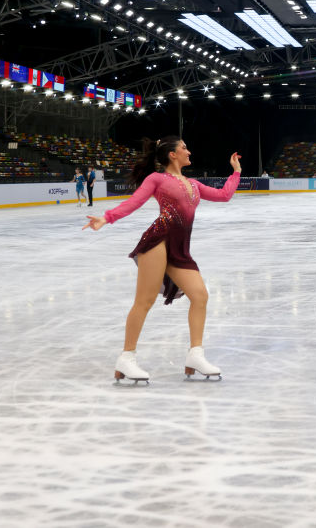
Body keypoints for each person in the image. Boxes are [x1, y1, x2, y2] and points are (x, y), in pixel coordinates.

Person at [82, 136, 242, 383]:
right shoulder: (156, 179)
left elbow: (224, 195)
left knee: (200, 295)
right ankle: (126, 358)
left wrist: (236, 172)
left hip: (180, 248)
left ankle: (195, 355)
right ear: (172, 154)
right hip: (158, 241)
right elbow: (135, 202)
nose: (189, 150)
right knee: (144, 301)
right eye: (184, 147)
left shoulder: (194, 184)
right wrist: (107, 218)